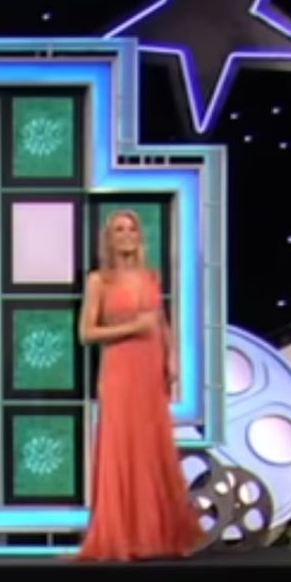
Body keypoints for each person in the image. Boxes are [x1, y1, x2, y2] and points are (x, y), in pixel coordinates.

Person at [75, 210, 201, 560]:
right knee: (122, 448)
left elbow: (159, 321)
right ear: (109, 238)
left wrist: (171, 356)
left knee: (151, 448)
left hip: (150, 372)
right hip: (119, 371)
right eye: (119, 229)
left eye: (132, 228)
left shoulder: (150, 276)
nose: (127, 234)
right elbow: (86, 333)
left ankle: (157, 537)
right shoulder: (99, 281)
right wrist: (132, 328)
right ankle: (122, 538)